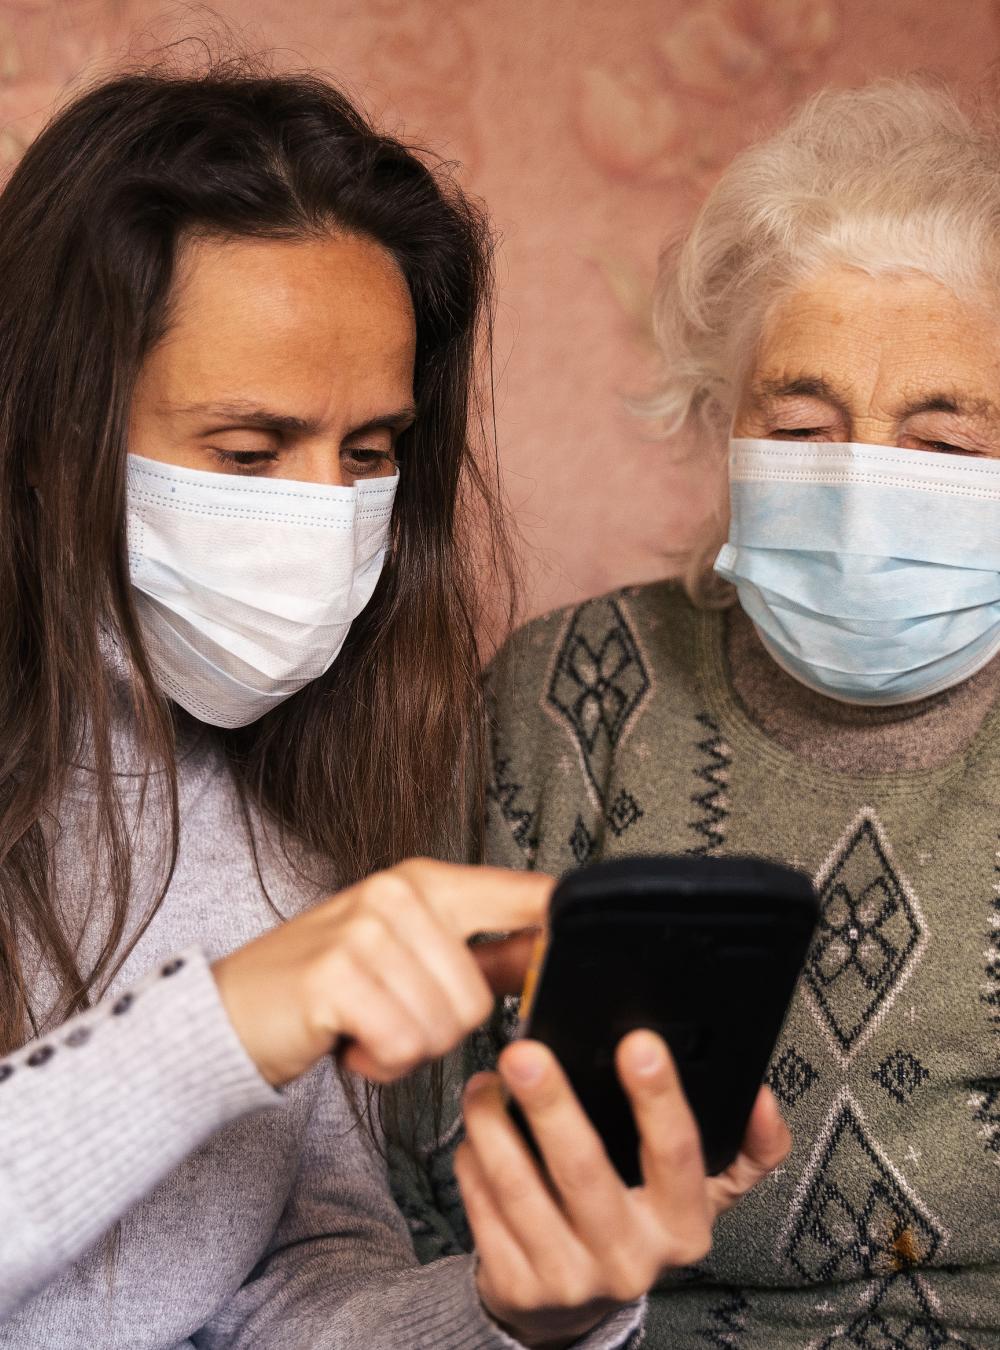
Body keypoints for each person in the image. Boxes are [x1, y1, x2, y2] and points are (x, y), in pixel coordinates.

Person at [0, 60, 786, 1350]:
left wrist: (532, 1311)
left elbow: (292, 1289)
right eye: (249, 452)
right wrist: (232, 1016)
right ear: (45, 437)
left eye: (368, 452)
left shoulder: (296, 805)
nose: (321, 514)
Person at [397, 79, 1000, 1346]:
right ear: (721, 431)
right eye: (801, 421)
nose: (859, 487)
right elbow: (421, 1169)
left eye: (942, 445)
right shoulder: (570, 691)